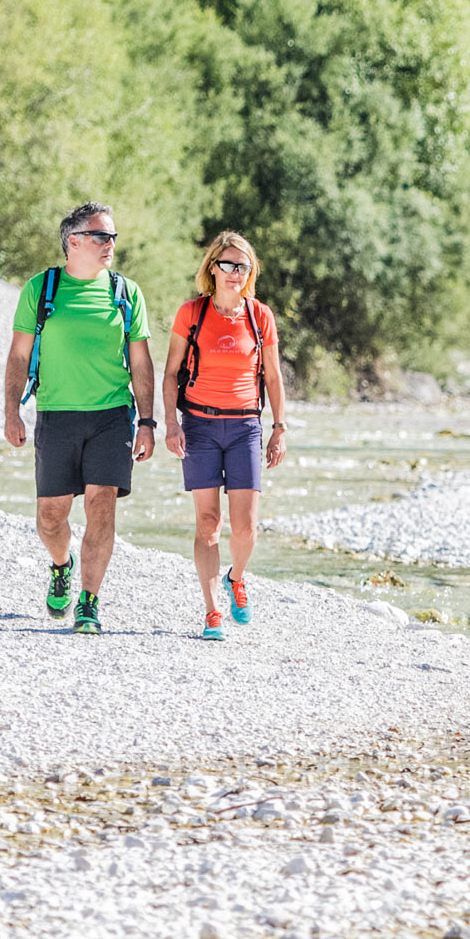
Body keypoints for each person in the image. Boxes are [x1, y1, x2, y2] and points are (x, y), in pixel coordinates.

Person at [2, 203, 157, 635]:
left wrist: (148, 422)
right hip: (56, 415)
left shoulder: (125, 292)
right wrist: (11, 410)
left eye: (112, 237)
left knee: (101, 504)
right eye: (101, 237)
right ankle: (60, 564)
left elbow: (141, 363)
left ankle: (89, 601)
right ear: (73, 241)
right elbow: (18, 354)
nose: (110, 245)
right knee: (51, 516)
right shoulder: (42, 289)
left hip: (112, 415)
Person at [161, 231, 288, 639]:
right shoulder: (191, 313)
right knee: (208, 522)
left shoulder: (260, 316)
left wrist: (279, 429)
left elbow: (273, 375)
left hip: (246, 427)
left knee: (246, 527)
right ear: (212, 267)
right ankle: (212, 611)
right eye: (228, 264)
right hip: (198, 423)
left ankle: (237, 577)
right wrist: (171, 423)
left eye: (243, 266)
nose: (236, 273)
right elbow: (169, 374)